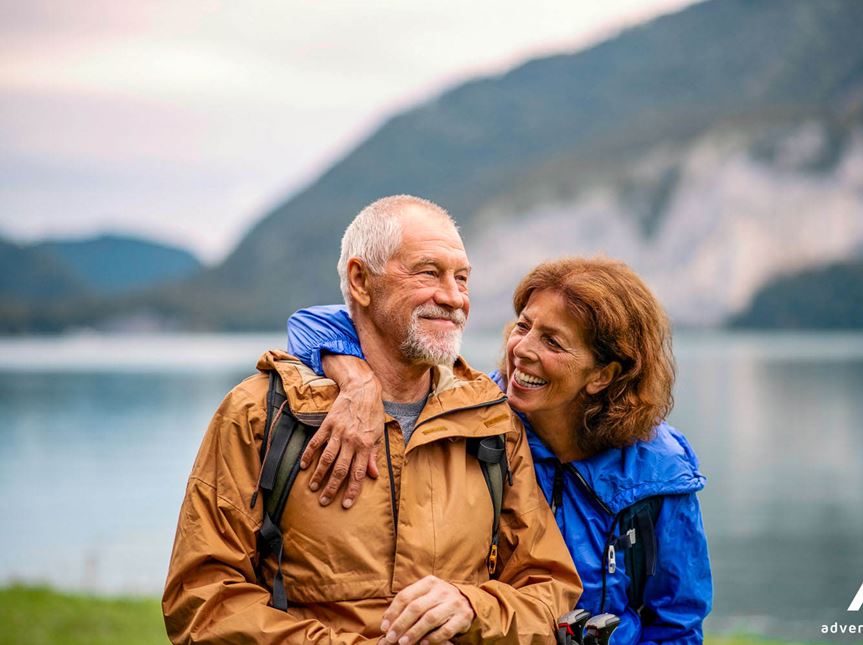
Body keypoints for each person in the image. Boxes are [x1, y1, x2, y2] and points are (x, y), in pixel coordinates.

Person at [162, 195, 582, 644]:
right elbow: (202, 601)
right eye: (428, 272)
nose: (454, 297)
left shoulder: (491, 419)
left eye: (462, 278)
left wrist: (472, 607)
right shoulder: (260, 413)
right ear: (361, 281)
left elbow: (549, 589)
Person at [286, 257, 713, 644]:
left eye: (553, 342)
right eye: (523, 326)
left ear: (603, 375)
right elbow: (310, 323)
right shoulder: (477, 416)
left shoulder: (659, 472)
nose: (522, 350)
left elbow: (677, 623)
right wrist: (356, 378)